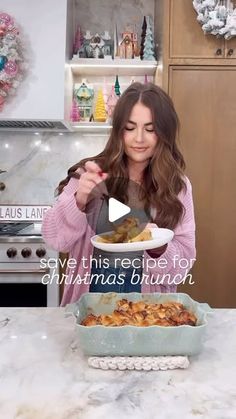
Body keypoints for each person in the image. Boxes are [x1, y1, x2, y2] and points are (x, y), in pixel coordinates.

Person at [42, 82, 196, 305]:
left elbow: (182, 266)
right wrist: (79, 201)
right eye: (130, 127)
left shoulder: (177, 186)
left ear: (164, 133)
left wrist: (159, 247)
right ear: (118, 130)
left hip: (148, 313)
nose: (139, 138)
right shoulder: (90, 174)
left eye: (150, 129)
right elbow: (54, 240)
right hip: (90, 307)